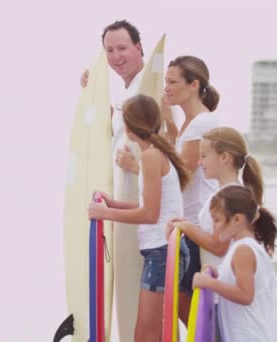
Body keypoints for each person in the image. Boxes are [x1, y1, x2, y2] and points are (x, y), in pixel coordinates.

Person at [116, 56, 221, 324]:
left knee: (188, 309)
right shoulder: (189, 123)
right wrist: (170, 124)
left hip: (196, 225)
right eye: (165, 81)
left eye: (172, 82)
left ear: (194, 85)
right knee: (185, 308)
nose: (166, 88)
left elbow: (179, 176)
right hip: (187, 224)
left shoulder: (201, 124)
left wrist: (135, 166)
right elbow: (175, 164)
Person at [88, 94, 191, 342]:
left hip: (162, 252)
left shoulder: (150, 156)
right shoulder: (155, 154)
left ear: (129, 126)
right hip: (165, 251)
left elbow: (149, 214)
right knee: (151, 333)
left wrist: (106, 214)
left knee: (145, 335)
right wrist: (113, 204)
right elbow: (150, 206)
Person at [166, 126, 265, 271]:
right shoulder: (235, 192)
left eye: (204, 156)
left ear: (224, 157)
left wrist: (186, 227)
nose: (200, 162)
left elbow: (218, 247)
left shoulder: (231, 197)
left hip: (224, 282)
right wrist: (186, 224)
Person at [192, 185, 277, 342]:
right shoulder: (240, 247)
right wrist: (218, 276)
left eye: (217, 220)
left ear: (237, 219)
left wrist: (210, 283)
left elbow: (245, 295)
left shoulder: (244, 250)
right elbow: (238, 283)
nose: (214, 226)